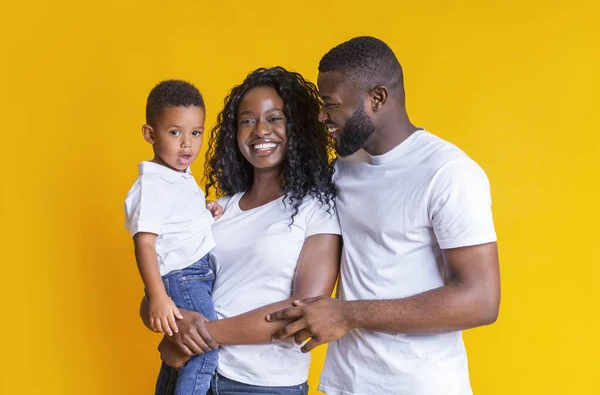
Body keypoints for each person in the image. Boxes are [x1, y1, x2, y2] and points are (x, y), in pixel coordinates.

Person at [267, 36, 501, 395]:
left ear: (376, 98)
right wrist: (212, 211)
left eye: (331, 104)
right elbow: (282, 210)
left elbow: (481, 300)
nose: (322, 116)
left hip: (421, 386)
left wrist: (347, 314)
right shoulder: (345, 167)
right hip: (345, 384)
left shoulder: (448, 172)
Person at [141, 67, 342, 395]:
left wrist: (201, 336)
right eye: (248, 120)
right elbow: (158, 291)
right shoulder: (217, 209)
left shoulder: (316, 210)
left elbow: (304, 312)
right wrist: (176, 329)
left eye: (275, 118)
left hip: (261, 386)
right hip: (192, 376)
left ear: (298, 127)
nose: (261, 131)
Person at [124, 80, 222, 395]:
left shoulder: (178, 177)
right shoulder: (153, 185)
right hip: (183, 278)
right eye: (175, 133)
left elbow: (177, 223)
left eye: (196, 133)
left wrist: (205, 210)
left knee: (183, 351)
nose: (187, 145)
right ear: (150, 134)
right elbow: (146, 242)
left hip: (193, 275)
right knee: (206, 347)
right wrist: (158, 297)